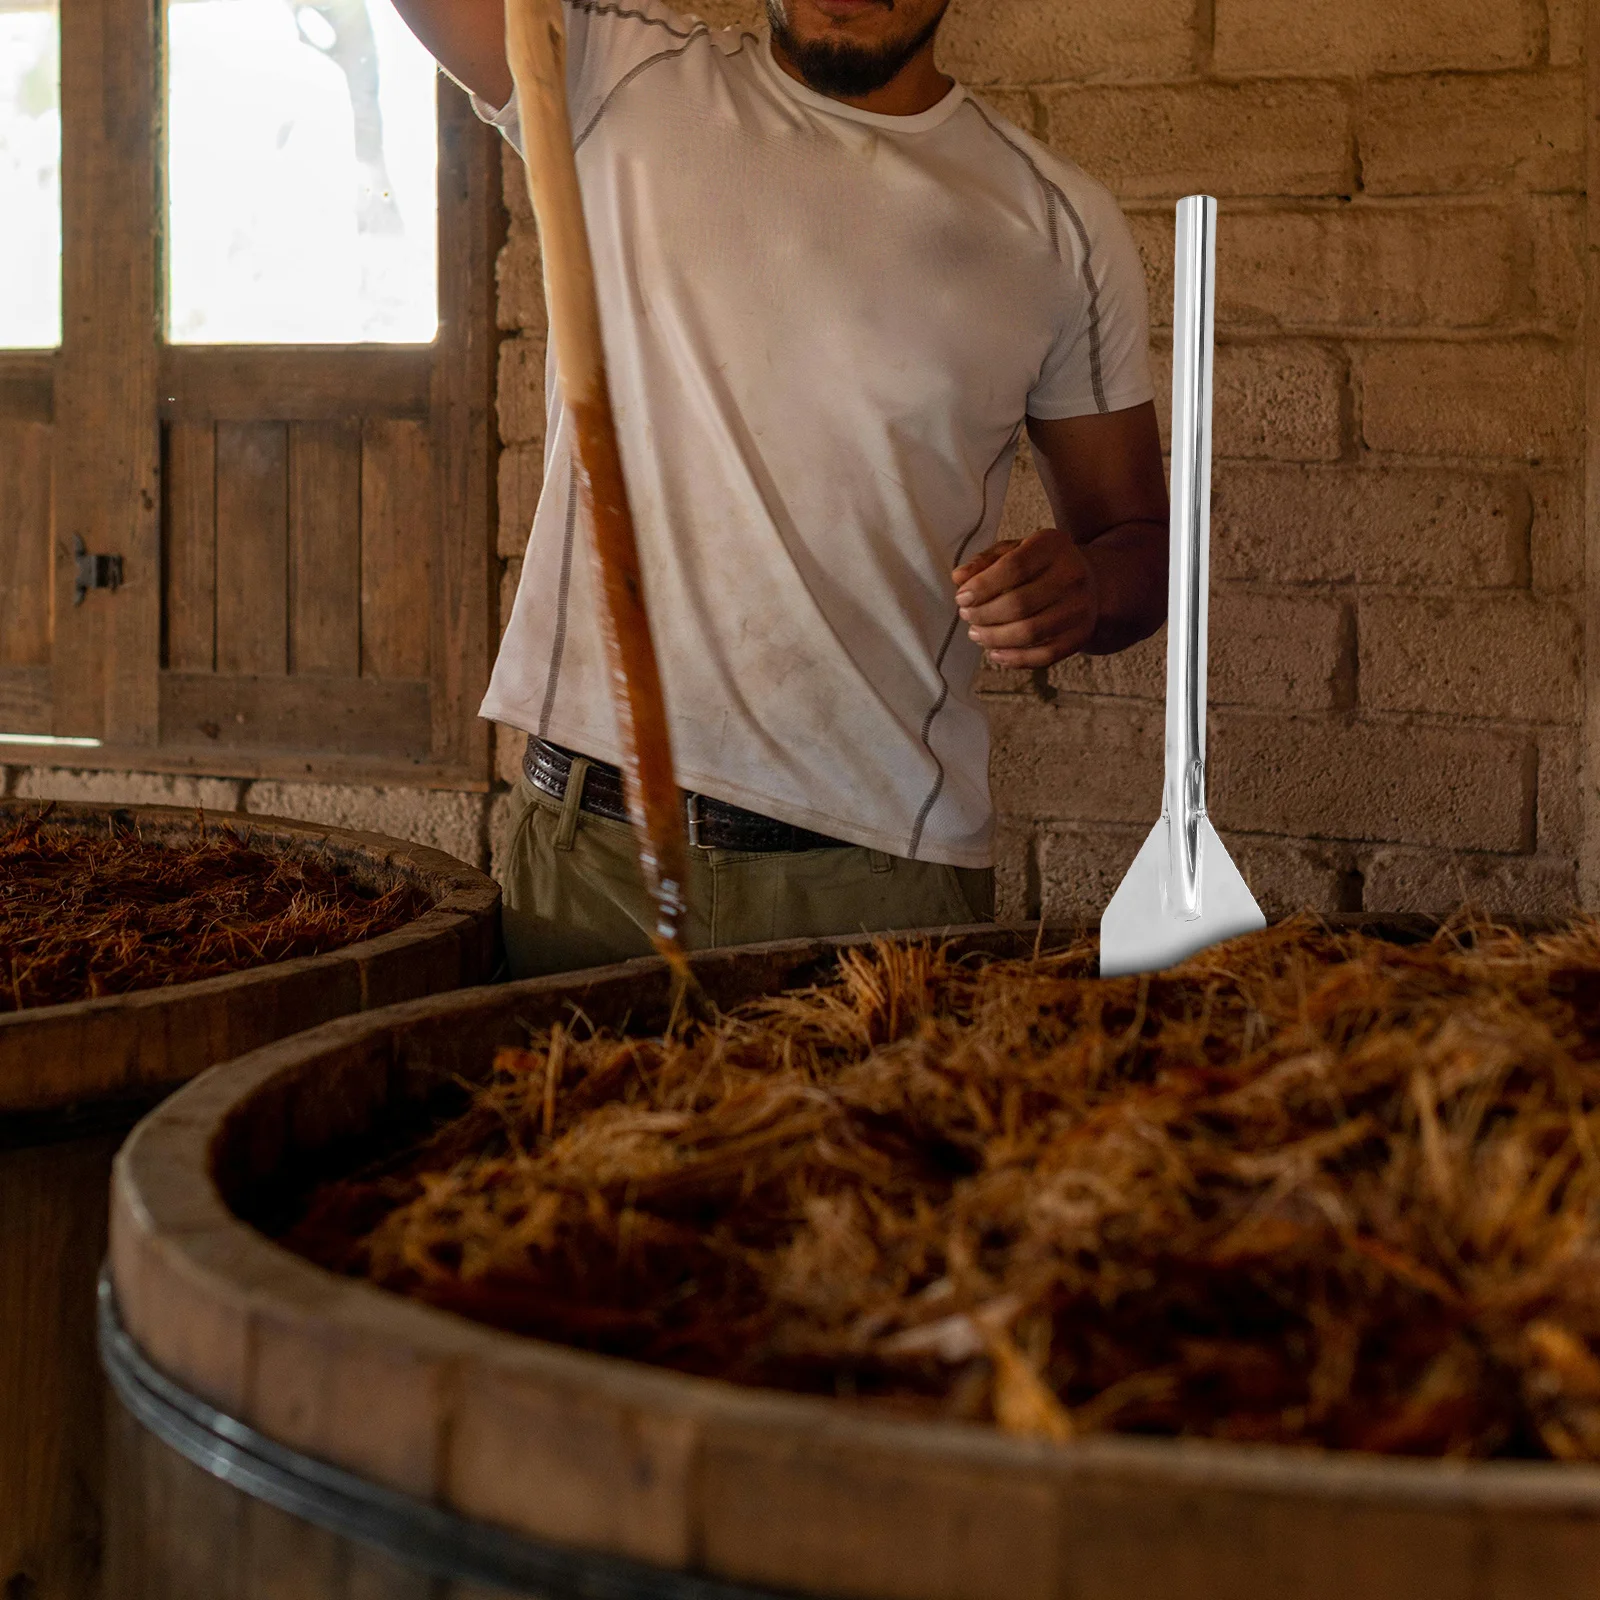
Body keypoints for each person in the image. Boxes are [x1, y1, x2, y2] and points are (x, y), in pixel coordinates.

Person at [392, 0, 1170, 975]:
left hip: (877, 884)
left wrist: (1086, 589)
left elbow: (1135, 539)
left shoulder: (1054, 225)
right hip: (592, 861)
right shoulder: (611, 76)